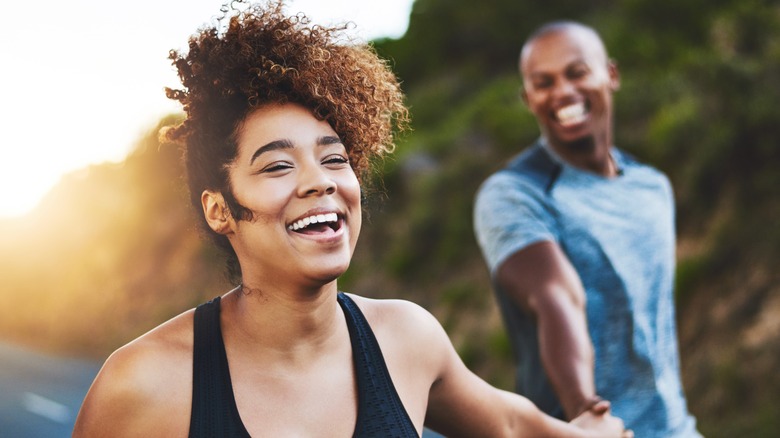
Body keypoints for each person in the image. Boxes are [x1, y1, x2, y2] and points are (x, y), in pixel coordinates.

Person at [72, 3, 630, 437]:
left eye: (334, 158)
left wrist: (581, 431)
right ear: (220, 209)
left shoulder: (406, 340)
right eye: (278, 165)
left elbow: (508, 424)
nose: (321, 181)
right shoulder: (145, 385)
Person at [473, 20, 702, 438]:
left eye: (576, 73)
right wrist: (586, 411)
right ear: (528, 98)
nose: (562, 92)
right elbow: (555, 296)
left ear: (610, 75)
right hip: (582, 430)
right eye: (544, 83)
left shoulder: (652, 186)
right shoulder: (512, 194)